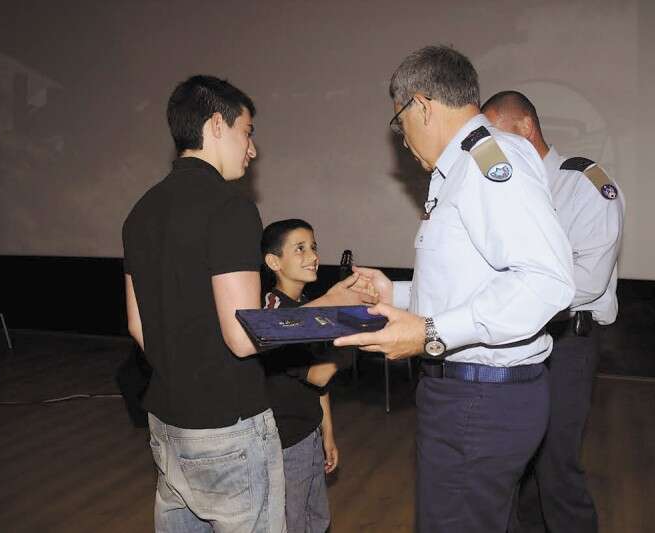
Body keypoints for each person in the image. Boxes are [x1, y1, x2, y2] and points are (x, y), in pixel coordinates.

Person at [334, 46, 575, 533]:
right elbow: (471, 282)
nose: (402, 139)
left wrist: (431, 333)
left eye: (399, 122)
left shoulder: (488, 161)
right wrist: (396, 295)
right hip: (472, 398)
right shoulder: (462, 167)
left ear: (422, 105)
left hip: (478, 403)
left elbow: (546, 281)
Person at [122, 75, 373, 532]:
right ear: (217, 124)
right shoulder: (229, 207)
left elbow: (139, 327)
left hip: (167, 425)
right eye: (248, 131)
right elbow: (243, 336)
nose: (252, 149)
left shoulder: (141, 212)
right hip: (229, 428)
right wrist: (336, 312)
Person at [482, 90, 625, 533]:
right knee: (518, 460)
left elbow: (590, 278)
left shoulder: (584, 182)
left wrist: (513, 302)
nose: (487, 147)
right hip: (516, 340)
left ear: (526, 127)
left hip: (566, 342)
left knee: (556, 464)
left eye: (494, 134)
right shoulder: (507, 189)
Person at [260, 219, 342, 533]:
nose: (313, 256)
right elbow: (318, 375)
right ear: (274, 262)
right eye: (300, 248)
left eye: (313, 247)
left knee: (317, 518)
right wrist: (357, 332)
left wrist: (327, 433)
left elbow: (320, 386)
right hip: (284, 441)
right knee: (292, 521)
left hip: (309, 433)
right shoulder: (274, 315)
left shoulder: (307, 306)